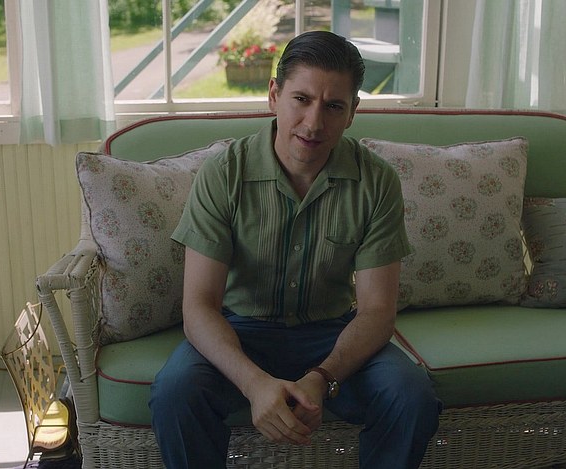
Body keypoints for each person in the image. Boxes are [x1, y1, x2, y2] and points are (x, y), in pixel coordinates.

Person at [149, 30, 440, 468]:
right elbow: (199, 307)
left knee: (411, 396)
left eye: (334, 106)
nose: (314, 123)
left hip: (332, 335)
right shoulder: (223, 174)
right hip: (240, 331)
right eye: (301, 99)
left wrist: (321, 379)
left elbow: (378, 312)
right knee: (175, 393)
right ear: (274, 95)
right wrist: (254, 385)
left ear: (353, 113)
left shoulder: (377, 181)